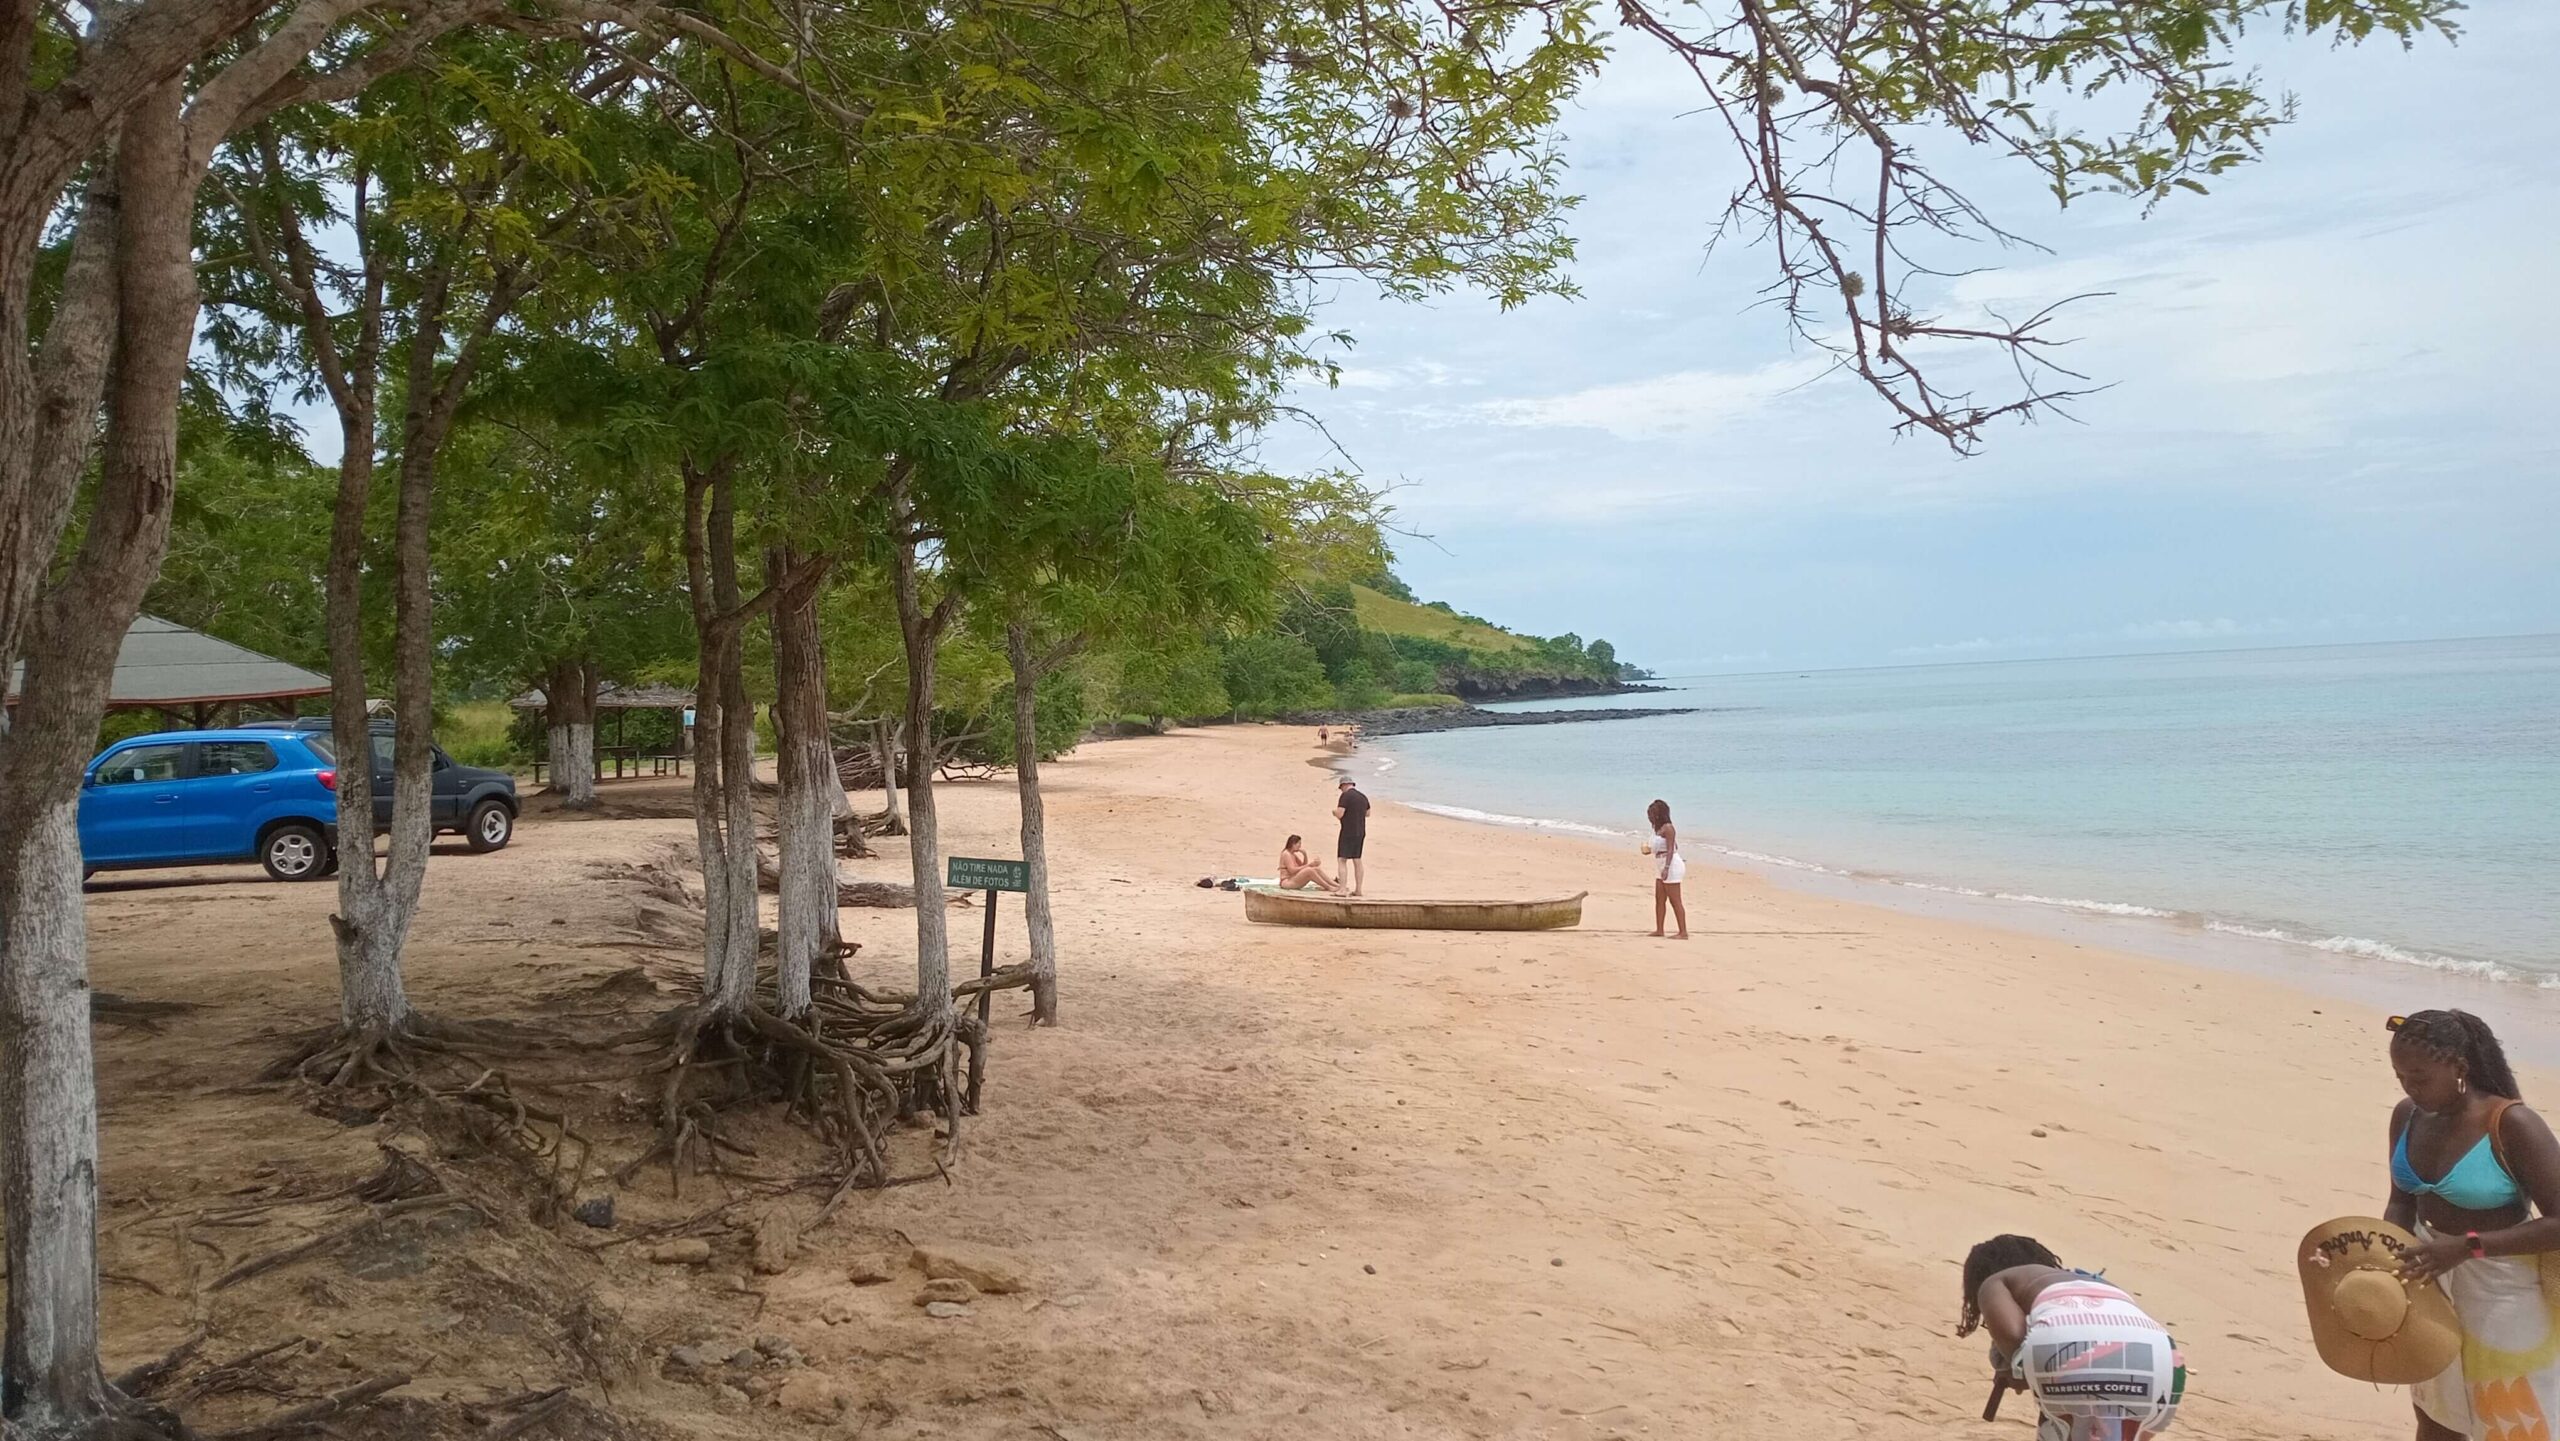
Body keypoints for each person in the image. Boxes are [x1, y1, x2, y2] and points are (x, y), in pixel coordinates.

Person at [2383, 1009, 2560, 1440]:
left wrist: (2467, 1247)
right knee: (2436, 1415)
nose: (2410, 1088)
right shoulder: (2408, 1115)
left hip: (2502, 1289)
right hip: (2430, 1278)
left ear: (2459, 1068)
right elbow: (2401, 1201)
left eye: (2420, 1078)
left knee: (2510, 1420)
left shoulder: (2512, 1124)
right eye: (2401, 1077)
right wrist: (2386, 1249)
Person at [1958, 1234, 2185, 1441]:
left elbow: (2019, 1353)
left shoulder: (1996, 1281)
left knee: (2059, 1411)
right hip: (2164, 1362)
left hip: (2070, 1355)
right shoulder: (2089, 1283)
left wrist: (2010, 1368)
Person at [1641, 798, 1688, 939]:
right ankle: (1659, 929)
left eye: (1652, 814)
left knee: (1675, 900)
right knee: (1659, 899)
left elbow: (1671, 849)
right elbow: (1657, 847)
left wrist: (1667, 867)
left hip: (1671, 864)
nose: (1650, 817)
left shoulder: (1668, 828)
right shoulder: (1656, 829)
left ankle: (1683, 932)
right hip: (1659, 863)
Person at [1333, 776, 1370, 897]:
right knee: (1357, 860)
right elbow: (1368, 813)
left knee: (1342, 859)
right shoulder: (1363, 797)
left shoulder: (1346, 796)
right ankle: (1358, 889)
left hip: (1348, 831)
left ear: (1343, 785)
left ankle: (1342, 889)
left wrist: (1334, 812)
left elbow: (1340, 813)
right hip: (1360, 831)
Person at [1276, 834, 1343, 894]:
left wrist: (1305, 855)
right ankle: (1328, 887)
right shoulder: (1286, 854)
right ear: (1293, 844)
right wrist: (1310, 865)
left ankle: (1337, 885)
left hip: (1293, 879)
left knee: (1316, 869)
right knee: (1309, 870)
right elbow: (1292, 870)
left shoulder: (1293, 854)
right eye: (1298, 844)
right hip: (1287, 882)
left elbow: (1303, 866)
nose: (1300, 846)